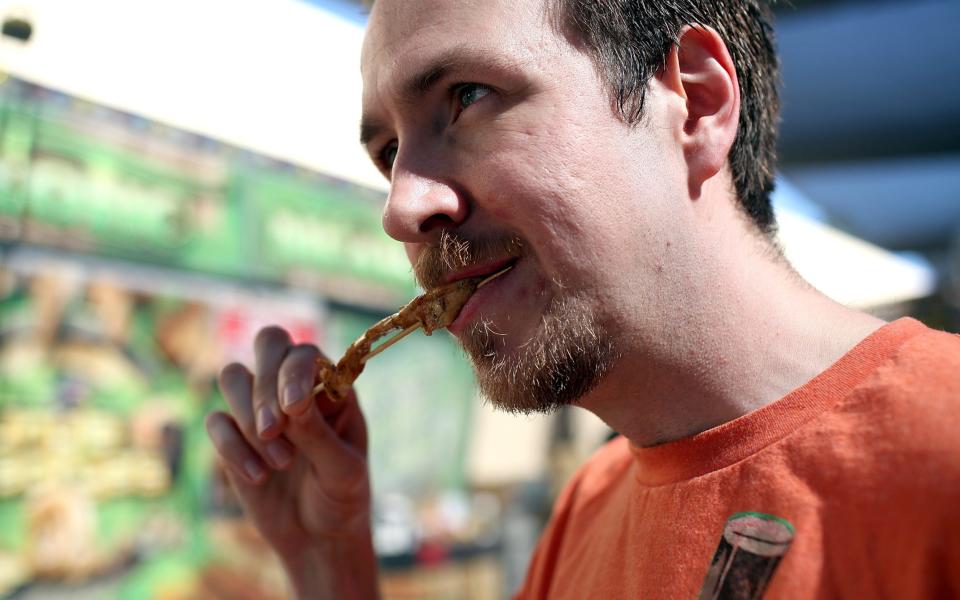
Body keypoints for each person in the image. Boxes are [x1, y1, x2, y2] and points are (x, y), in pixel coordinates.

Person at [204, 0, 960, 597]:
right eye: (389, 153)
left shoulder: (941, 447)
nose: (401, 211)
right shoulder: (587, 508)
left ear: (694, 104)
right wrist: (330, 566)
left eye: (467, 97)